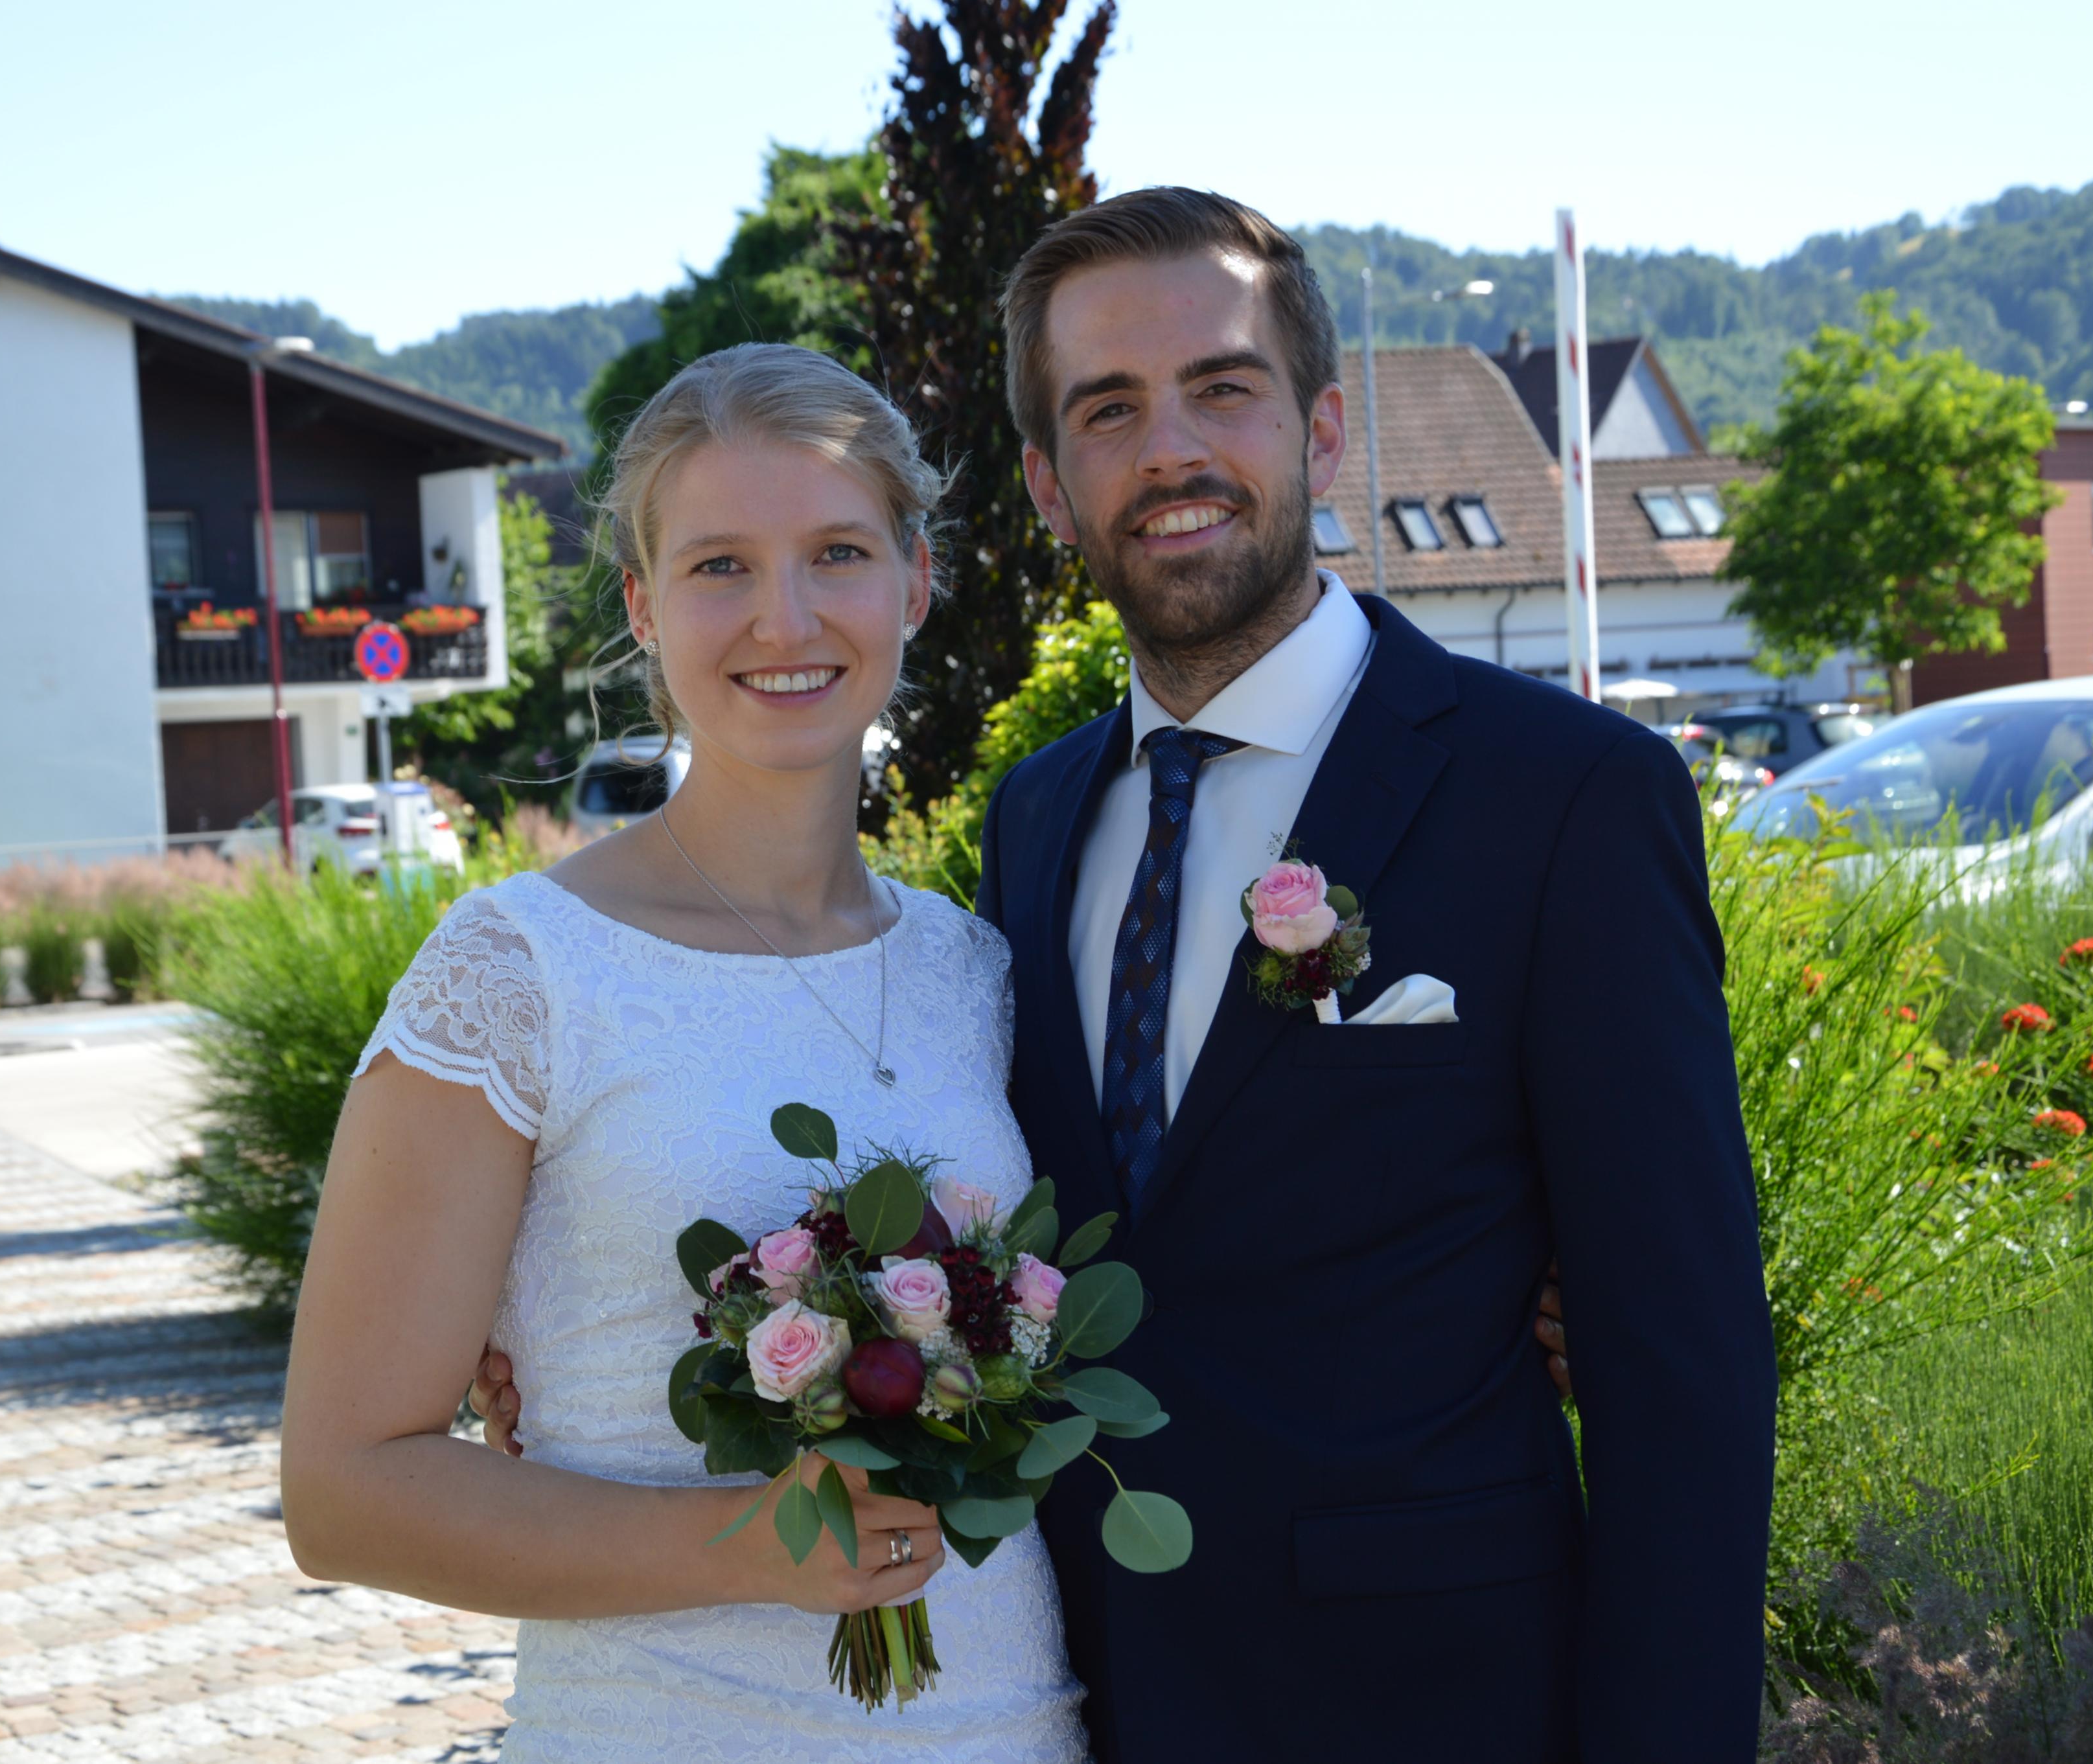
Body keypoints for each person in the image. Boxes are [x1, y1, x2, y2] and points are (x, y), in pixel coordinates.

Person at [470, 187, 1774, 1759]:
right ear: (1046, 482)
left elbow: (1681, 1371)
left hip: (1439, 1703)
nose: (1168, 452)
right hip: (1073, 1689)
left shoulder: (1562, 800)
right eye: (1106, 410)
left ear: (1321, 430)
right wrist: (539, 1306)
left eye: (1220, 388)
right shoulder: (1034, 823)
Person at [280, 344, 1091, 1761]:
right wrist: (748, 1544)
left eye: (837, 553)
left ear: (913, 581)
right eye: (721, 566)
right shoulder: (519, 972)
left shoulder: (973, 968)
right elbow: (345, 1494)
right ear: (644, 607)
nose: (786, 616)